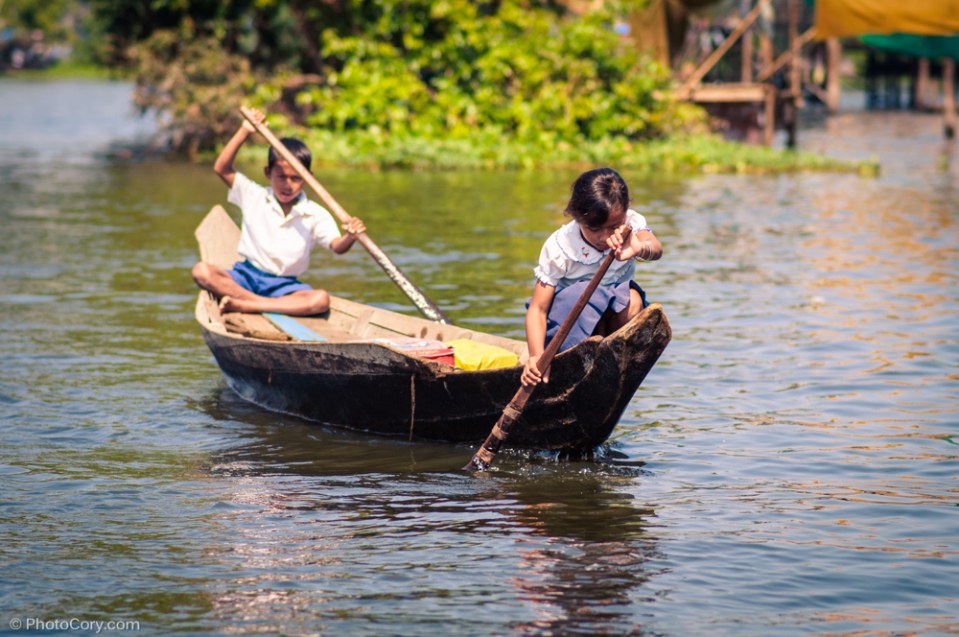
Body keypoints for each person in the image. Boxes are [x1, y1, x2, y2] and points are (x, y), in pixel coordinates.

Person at [192, 108, 366, 316]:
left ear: (308, 177)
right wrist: (245, 131)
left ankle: (249, 305)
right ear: (268, 173)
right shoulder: (254, 195)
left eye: (296, 178)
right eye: (281, 177)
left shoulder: (314, 213)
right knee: (201, 271)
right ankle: (254, 301)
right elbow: (222, 168)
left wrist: (350, 236)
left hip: (284, 288)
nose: (288, 185)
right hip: (246, 276)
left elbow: (337, 247)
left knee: (320, 300)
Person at [521, 167, 662, 387]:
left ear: (626, 212)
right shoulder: (560, 247)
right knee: (586, 296)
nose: (605, 237)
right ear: (576, 216)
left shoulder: (631, 225)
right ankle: (581, 365)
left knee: (632, 299)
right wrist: (536, 357)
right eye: (594, 228)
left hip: (612, 320)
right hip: (570, 329)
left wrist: (638, 247)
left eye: (613, 227)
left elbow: (655, 249)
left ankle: (609, 365)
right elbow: (538, 310)